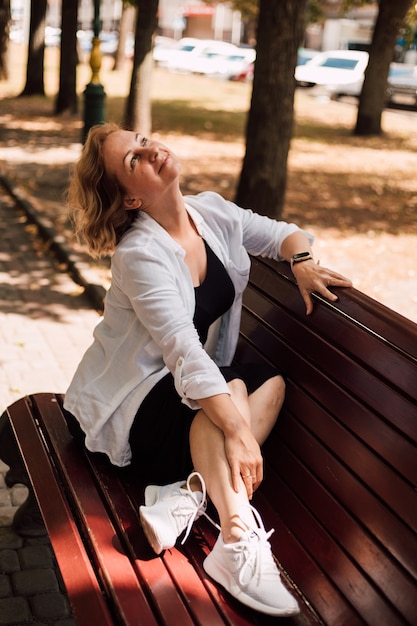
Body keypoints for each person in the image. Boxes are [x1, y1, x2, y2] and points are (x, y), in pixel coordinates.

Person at [63, 123, 352, 617]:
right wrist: (238, 429)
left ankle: (188, 493)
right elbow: (184, 352)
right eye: (134, 159)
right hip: (124, 405)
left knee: (270, 383)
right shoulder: (139, 254)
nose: (151, 150)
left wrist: (301, 259)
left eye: (142, 140)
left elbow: (282, 234)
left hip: (180, 390)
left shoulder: (211, 212)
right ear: (130, 200)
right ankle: (236, 540)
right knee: (226, 399)